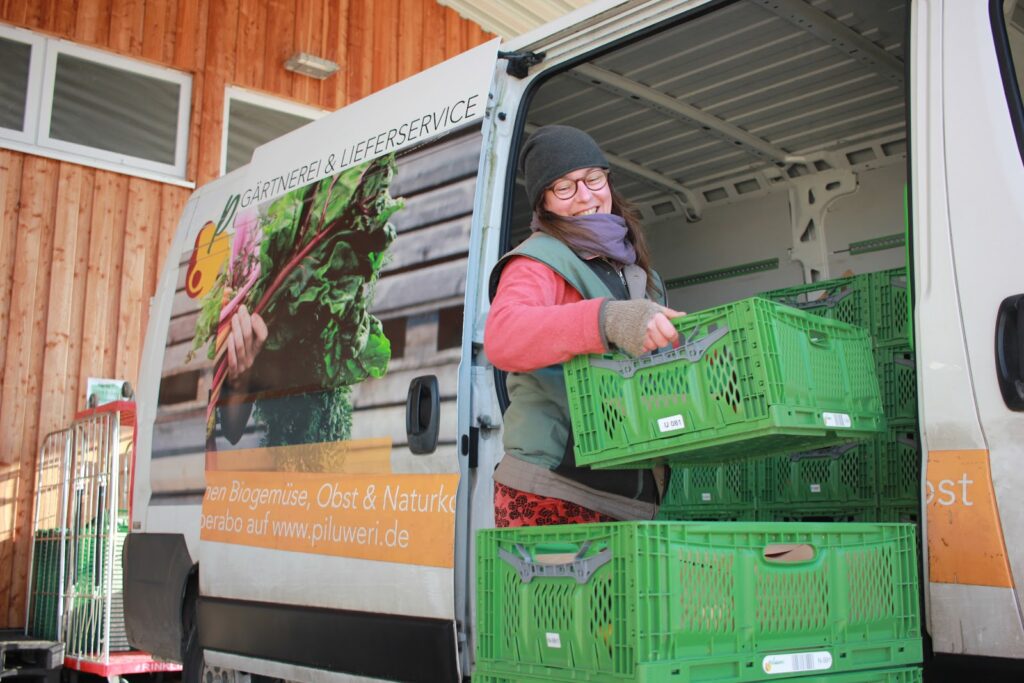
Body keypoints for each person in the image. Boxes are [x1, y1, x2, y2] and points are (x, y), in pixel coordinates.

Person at [484, 125, 683, 528]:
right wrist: (607, 319)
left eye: (593, 178)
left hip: (632, 495)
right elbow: (503, 336)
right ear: (543, 202)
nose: (585, 196)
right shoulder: (537, 260)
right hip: (555, 491)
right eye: (564, 187)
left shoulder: (639, 273)